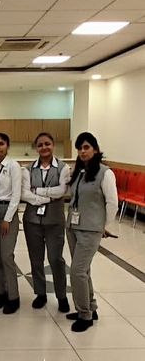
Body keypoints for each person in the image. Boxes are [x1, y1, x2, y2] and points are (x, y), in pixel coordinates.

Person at [66, 132, 118, 332]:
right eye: (79, 148)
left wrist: (103, 225)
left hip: (90, 229)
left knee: (77, 271)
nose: (82, 151)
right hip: (73, 226)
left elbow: (112, 202)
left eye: (86, 147)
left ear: (95, 149)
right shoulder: (79, 171)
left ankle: (84, 315)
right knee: (84, 270)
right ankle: (90, 307)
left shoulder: (105, 173)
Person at [21, 132, 71, 313]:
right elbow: (24, 194)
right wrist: (48, 198)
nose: (44, 147)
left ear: (53, 145)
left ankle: (61, 296)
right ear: (36, 148)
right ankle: (40, 293)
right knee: (36, 259)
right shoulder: (27, 169)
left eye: (47, 144)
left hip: (55, 221)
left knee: (55, 259)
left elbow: (62, 191)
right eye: (40, 144)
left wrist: (38, 191)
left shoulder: (63, 168)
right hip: (32, 221)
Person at [0, 132, 21, 314]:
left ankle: (13, 297)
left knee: (7, 256)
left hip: (8, 211)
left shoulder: (13, 166)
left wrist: (7, 218)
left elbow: (16, 195)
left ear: (7, 146)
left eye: (1, 143)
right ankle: (1, 292)